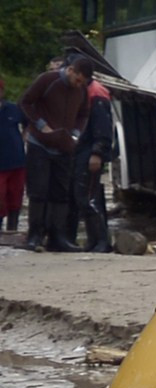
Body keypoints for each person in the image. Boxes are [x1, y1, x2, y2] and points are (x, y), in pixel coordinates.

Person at [18, 56, 88, 253]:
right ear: (71, 71)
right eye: (77, 80)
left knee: (60, 192)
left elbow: (84, 114)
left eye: (82, 83)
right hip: (40, 143)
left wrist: (76, 134)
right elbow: (26, 102)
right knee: (38, 190)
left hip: (64, 145)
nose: (78, 85)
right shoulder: (47, 80)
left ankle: (57, 236)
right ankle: (34, 235)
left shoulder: (81, 90)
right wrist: (41, 125)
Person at [72, 73, 113, 253]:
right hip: (85, 150)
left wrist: (97, 152)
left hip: (90, 152)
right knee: (86, 197)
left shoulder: (96, 94)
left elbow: (102, 127)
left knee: (89, 198)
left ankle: (102, 241)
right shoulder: (89, 91)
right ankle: (94, 240)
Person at [0, 89, 25, 238]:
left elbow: (28, 123)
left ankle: (12, 229)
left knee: (15, 196)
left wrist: (24, 137)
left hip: (16, 160)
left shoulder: (13, 109)